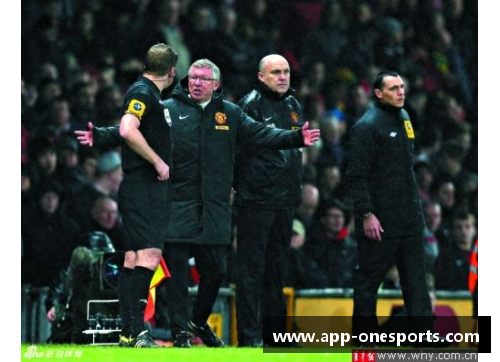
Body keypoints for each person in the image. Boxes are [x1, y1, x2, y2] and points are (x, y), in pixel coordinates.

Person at [75, 59, 320, 348]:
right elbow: (135, 129)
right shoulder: (168, 110)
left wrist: (295, 138)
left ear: (216, 84)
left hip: (214, 208)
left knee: (216, 271)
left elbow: (262, 134)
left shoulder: (231, 113)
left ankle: (197, 320)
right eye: (193, 77)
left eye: (204, 79)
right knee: (178, 275)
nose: (197, 82)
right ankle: (180, 333)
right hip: (178, 203)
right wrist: (101, 135)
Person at [346, 71, 434, 340]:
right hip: (381, 222)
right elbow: (356, 176)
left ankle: (424, 340)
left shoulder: (405, 117)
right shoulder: (366, 127)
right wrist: (367, 213)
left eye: (402, 87)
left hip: (409, 218)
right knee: (368, 284)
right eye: (394, 88)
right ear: (378, 93)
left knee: (416, 285)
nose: (401, 92)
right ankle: (364, 342)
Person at [233, 54, 307, 347]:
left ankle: (276, 336)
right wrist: (245, 187)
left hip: (285, 201)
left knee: (277, 271)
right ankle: (250, 337)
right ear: (261, 76)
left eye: (286, 71)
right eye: (276, 72)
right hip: (257, 201)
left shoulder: (292, 104)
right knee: (251, 272)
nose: (283, 77)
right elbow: (238, 153)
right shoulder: (249, 105)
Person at [114, 43, 178, 348]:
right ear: (172, 71)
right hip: (145, 186)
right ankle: (138, 332)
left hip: (138, 187)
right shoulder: (144, 92)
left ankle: (128, 332)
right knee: (149, 256)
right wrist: (157, 160)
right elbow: (127, 129)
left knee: (132, 258)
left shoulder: (144, 92)